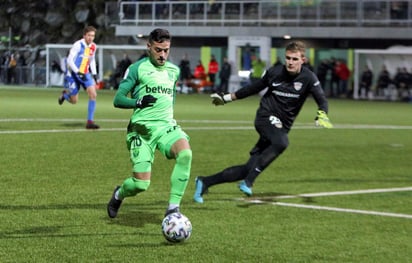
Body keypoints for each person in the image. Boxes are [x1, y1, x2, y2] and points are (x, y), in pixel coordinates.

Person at [193, 41, 333, 204]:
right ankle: (249, 181)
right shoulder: (275, 72)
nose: (290, 62)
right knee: (282, 143)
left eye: (295, 59)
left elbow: (322, 100)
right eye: (288, 58)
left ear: (303, 60)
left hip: (281, 127)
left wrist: (322, 114)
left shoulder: (309, 78)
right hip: (265, 118)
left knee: (246, 168)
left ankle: (205, 182)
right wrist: (226, 98)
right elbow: (254, 88)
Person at [107, 28, 192, 218]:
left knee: (185, 154)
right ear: (148, 47)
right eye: (158, 50)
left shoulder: (173, 71)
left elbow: (172, 97)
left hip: (165, 128)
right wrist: (138, 102)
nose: (163, 55)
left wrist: (168, 118)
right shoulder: (137, 68)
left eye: (166, 50)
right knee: (141, 185)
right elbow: (118, 99)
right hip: (141, 132)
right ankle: (119, 193)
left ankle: (173, 209)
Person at [58, 26, 100, 129]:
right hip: (73, 74)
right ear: (84, 35)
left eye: (93, 36)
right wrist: (78, 72)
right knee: (74, 101)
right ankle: (65, 95)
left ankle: (90, 122)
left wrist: (94, 74)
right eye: (89, 35)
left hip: (85, 73)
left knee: (93, 94)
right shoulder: (77, 45)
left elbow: (92, 60)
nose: (91, 38)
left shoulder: (94, 46)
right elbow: (69, 60)